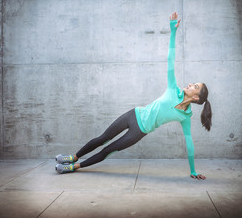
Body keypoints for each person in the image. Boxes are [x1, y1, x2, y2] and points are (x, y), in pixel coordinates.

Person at [55, 12, 211, 180]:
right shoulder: (174, 89)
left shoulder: (185, 116)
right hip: (133, 114)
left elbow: (189, 144)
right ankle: (74, 157)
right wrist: (173, 31)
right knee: (102, 139)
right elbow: (170, 59)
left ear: (196, 98)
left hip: (139, 132)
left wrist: (193, 170)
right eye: (193, 83)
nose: (190, 84)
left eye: (195, 86)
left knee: (108, 150)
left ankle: (73, 167)